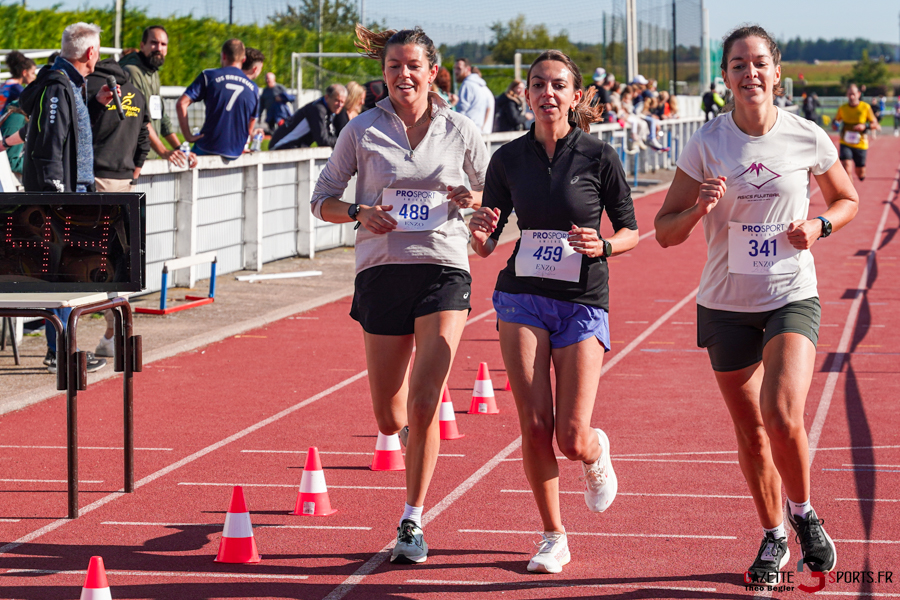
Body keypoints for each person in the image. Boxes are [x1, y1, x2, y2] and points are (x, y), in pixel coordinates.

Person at [654, 25, 858, 587]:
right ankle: (774, 535)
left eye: (760, 63)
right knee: (750, 432)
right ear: (725, 77)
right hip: (724, 303)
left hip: (791, 292)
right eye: (738, 65)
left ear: (777, 70)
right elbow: (665, 231)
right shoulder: (706, 143)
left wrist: (818, 225)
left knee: (782, 412)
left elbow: (847, 199)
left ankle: (804, 512)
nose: (751, 74)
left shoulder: (806, 136)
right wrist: (697, 209)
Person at [311, 24, 489, 564]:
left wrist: (473, 199)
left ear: (434, 72)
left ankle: (411, 519)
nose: (404, 75)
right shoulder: (361, 130)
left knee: (426, 398)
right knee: (392, 418)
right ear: (383, 73)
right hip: (381, 272)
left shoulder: (461, 130)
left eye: (414, 66)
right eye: (394, 67)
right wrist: (361, 212)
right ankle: (411, 435)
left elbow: (500, 197)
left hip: (443, 269)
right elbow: (322, 199)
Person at [469, 49, 638, 575]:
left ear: (577, 95)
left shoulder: (598, 156)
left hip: (582, 300)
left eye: (558, 84)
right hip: (521, 296)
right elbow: (487, 243)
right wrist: (478, 234)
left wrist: (604, 246)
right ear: (525, 94)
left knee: (569, 436)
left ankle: (594, 451)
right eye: (537, 83)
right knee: (535, 425)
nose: (547, 92)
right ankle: (552, 534)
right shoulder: (508, 159)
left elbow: (632, 230)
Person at [18, 22, 116, 375]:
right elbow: (49, 146)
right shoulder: (59, 85)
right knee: (60, 274)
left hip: (70, 193)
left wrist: (95, 105)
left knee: (68, 274)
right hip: (60, 196)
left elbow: (65, 134)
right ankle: (60, 352)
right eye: (99, 50)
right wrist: (57, 197)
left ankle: (61, 350)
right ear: (90, 53)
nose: (100, 56)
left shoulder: (67, 83)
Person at [87, 57, 151, 357]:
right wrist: (134, 169)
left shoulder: (89, 87)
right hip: (124, 183)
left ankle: (114, 333)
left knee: (94, 261)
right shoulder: (136, 92)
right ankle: (116, 333)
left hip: (95, 180)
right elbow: (144, 136)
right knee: (117, 258)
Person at [119, 26, 195, 168]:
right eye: (153, 43)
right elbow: (139, 117)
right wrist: (164, 151)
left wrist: (180, 150)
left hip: (146, 158)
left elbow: (161, 116)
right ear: (142, 45)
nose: (158, 48)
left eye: (163, 44)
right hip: (129, 161)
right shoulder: (132, 71)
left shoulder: (153, 71)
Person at [176, 39, 259, 161]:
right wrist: (242, 144)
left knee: (186, 163)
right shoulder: (253, 88)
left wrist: (188, 136)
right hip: (235, 152)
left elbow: (181, 104)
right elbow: (252, 120)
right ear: (244, 59)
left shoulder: (208, 76)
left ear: (223, 55)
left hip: (208, 147)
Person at [268, 84, 346, 150]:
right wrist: (344, 141)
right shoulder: (318, 109)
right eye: (337, 100)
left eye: (342, 102)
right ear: (327, 97)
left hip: (294, 147)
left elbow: (329, 136)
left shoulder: (328, 110)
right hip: (281, 147)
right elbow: (322, 140)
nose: (340, 105)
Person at [834, 83, 879, 181]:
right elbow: (835, 122)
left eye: (853, 94)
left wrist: (865, 126)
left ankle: (861, 174)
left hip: (860, 144)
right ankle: (851, 195)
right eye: (849, 94)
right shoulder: (843, 108)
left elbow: (875, 124)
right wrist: (834, 124)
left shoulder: (865, 107)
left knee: (860, 172)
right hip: (845, 142)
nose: (851, 96)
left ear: (858, 94)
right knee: (846, 167)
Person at [453, 58, 492, 133]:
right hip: (479, 131)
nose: (456, 72)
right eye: (455, 68)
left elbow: (461, 112)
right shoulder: (481, 86)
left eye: (459, 69)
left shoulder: (467, 85)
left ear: (468, 69)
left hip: (467, 132)